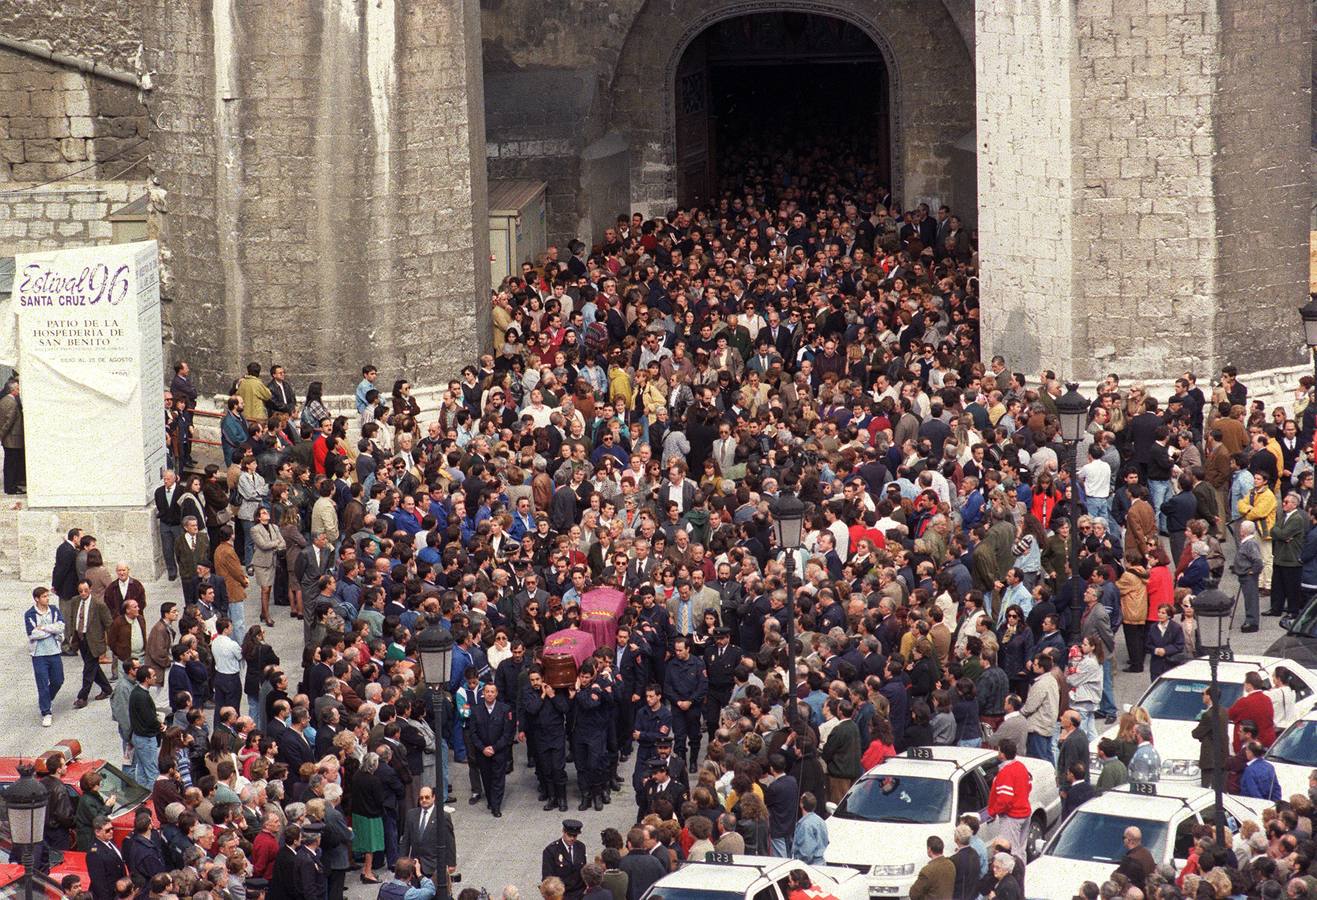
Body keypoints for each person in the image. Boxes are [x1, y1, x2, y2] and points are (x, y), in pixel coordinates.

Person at [25, 585, 65, 727]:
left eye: (48, 596)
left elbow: (61, 626)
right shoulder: (30, 614)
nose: (47, 599)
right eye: (44, 596)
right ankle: (46, 712)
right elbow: (33, 634)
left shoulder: (54, 610)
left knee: (58, 680)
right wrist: (51, 630)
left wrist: (44, 628)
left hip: (54, 651)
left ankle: (46, 699)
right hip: (39, 654)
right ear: (37, 599)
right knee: (42, 683)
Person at [71, 578, 113, 708]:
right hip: (81, 639)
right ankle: (107, 689)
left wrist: (109, 642)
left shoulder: (98, 604)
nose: (83, 593)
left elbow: (108, 623)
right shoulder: (75, 601)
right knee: (93, 667)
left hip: (95, 641)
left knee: (88, 669)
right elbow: (73, 617)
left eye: (85, 590)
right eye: (80, 591)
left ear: (90, 590)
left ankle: (82, 697)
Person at [985, 740, 1032, 853]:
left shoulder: (1005, 772)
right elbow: (1029, 786)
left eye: (999, 750)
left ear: (1002, 754)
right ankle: (1022, 869)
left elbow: (1005, 800)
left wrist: (992, 812)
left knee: (1010, 851)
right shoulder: (1021, 766)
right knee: (1020, 849)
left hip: (1012, 817)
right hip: (1025, 813)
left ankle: (1015, 871)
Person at [1191, 687, 1228, 790]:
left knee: (1208, 789)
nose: (1202, 696)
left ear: (1209, 696)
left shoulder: (1209, 715)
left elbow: (1196, 733)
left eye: (1203, 694)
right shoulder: (1224, 711)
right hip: (1222, 757)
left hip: (1210, 759)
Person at [542, 820, 587, 900]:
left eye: (575, 836)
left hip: (580, 893)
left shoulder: (581, 847)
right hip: (562, 895)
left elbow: (584, 871)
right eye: (569, 835)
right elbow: (547, 878)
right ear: (563, 831)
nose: (572, 838)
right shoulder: (551, 851)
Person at [86, 816, 127, 900]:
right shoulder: (94, 853)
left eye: (112, 828)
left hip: (119, 891)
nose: (111, 832)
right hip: (110, 895)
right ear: (97, 832)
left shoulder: (109, 841)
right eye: (107, 830)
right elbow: (99, 883)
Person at [790, 793, 827, 865]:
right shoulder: (820, 820)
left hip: (810, 866)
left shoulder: (805, 825)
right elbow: (825, 841)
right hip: (821, 863)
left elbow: (806, 852)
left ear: (801, 804)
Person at [1113, 826, 1155, 890]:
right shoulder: (1147, 853)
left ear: (1129, 840)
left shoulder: (1130, 860)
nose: (1123, 840)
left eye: (1123, 837)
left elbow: (1118, 878)